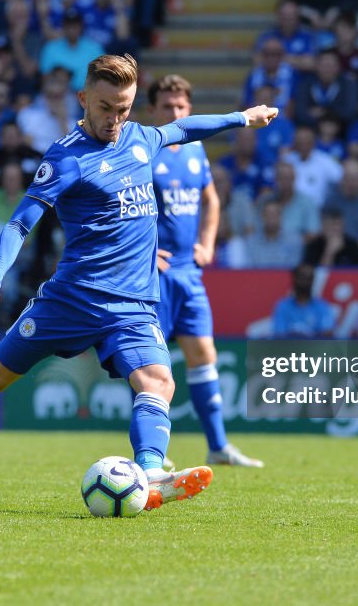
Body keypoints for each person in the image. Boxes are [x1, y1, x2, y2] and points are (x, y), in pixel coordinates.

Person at [0, 54, 279, 510]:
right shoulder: (66, 159)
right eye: (106, 108)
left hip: (133, 305)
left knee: (158, 382)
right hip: (72, 301)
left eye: (124, 108)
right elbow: (18, 226)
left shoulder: (141, 138)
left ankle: (148, 472)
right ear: (84, 99)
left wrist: (242, 118)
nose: (115, 119)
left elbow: (185, 129)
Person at [147, 74, 263, 468]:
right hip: (153, 276)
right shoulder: (147, 151)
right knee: (153, 365)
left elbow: (211, 200)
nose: (175, 112)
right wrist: (146, 252)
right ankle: (153, 454)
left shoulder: (195, 150)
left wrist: (208, 243)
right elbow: (125, 209)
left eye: (181, 107)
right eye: (167, 106)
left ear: (190, 109)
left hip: (189, 273)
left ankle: (217, 446)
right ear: (153, 111)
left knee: (204, 354)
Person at [271, 263, 336, 339]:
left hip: (315, 349)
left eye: (309, 278)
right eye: (302, 277)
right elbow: (279, 334)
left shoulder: (322, 306)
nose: (305, 282)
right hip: (288, 349)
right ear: (294, 279)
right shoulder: (283, 306)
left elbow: (327, 333)